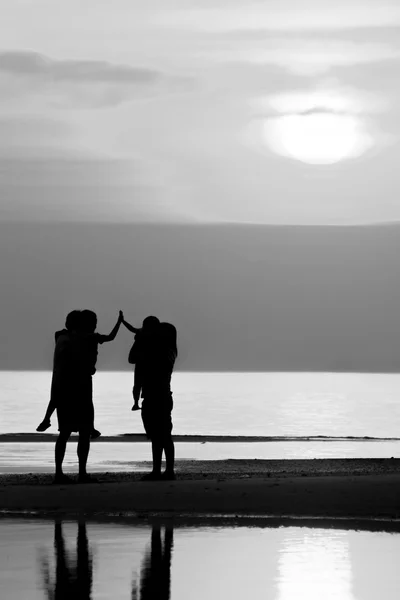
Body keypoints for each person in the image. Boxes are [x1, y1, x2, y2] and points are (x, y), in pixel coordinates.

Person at [52, 310, 123, 484]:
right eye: (93, 322)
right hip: (81, 386)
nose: (95, 325)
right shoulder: (90, 337)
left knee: (65, 432)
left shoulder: (62, 337)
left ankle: (59, 473)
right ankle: (81, 473)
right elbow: (111, 337)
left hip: (64, 387)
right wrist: (120, 322)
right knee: (83, 432)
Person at [36, 311, 101, 439]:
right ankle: (47, 419)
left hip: (61, 375)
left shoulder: (62, 335)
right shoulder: (78, 338)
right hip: (71, 378)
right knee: (82, 408)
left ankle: (46, 419)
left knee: (55, 398)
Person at [139, 322, 178, 481]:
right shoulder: (160, 349)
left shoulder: (168, 351)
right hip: (152, 395)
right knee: (157, 436)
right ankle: (157, 470)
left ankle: (168, 470)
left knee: (164, 435)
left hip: (160, 396)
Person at [121, 315, 160, 411]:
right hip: (148, 362)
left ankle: (136, 403)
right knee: (145, 383)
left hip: (140, 361)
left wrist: (122, 321)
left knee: (137, 384)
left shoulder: (141, 332)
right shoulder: (155, 334)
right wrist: (123, 321)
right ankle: (138, 402)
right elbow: (132, 329)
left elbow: (131, 329)